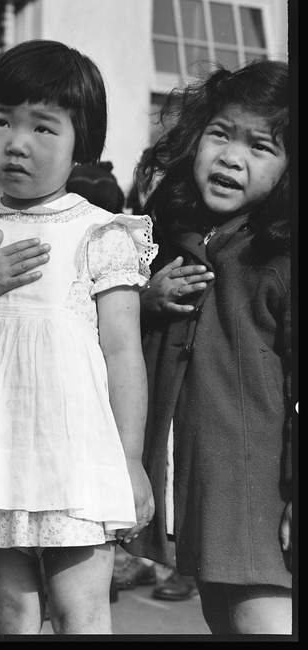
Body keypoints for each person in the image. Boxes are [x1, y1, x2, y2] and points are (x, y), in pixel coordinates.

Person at [0, 40, 156, 634]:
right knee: (10, 616)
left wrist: (129, 460)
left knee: (83, 614)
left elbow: (123, 354)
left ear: (82, 144)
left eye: (43, 128)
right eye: (1, 122)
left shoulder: (100, 232)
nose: (17, 143)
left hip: (77, 459)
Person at [126, 60, 292, 634]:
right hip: (209, 484)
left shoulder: (279, 256)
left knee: (261, 617)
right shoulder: (176, 237)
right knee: (223, 615)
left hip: (262, 490)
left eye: (262, 146)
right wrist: (145, 300)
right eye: (220, 134)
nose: (230, 157)